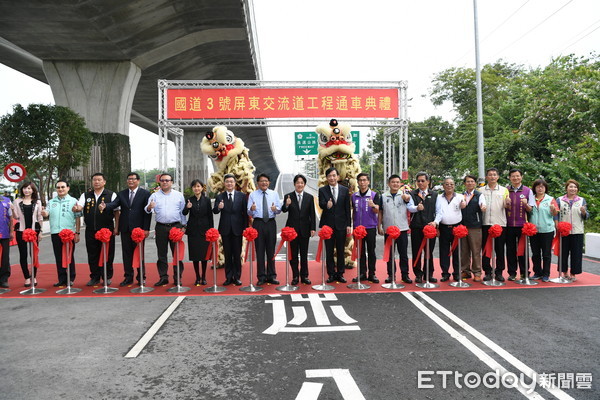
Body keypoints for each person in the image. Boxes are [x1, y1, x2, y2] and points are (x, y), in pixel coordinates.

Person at [100, 172, 151, 286]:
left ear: (138, 181)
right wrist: (105, 206)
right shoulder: (122, 194)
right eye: (129, 179)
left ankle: (141, 277)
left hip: (139, 230)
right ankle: (128, 277)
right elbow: (114, 204)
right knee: (126, 254)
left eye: (133, 179)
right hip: (125, 229)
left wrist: (146, 229)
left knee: (139, 254)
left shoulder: (145, 194)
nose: (130, 181)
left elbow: (148, 213)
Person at [76, 173, 120, 286]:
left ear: (104, 182)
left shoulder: (111, 194)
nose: (96, 182)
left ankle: (107, 276)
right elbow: (80, 206)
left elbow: (116, 212)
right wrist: (76, 208)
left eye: (99, 180)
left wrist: (116, 227)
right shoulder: (86, 195)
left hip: (107, 230)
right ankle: (94, 277)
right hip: (91, 230)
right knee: (92, 254)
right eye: (94, 180)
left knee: (108, 254)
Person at [145, 173, 186, 286]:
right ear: (160, 182)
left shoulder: (178, 195)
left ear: (171, 182)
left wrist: (184, 226)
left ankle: (178, 277)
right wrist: (149, 207)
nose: (165, 182)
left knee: (177, 253)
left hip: (175, 226)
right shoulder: (154, 196)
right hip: (161, 227)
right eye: (162, 180)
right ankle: (163, 277)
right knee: (161, 254)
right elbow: (147, 210)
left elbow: (183, 212)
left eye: (167, 180)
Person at [42, 180, 81, 286]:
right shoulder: (51, 202)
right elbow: (46, 212)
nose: (60, 189)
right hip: (55, 233)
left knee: (69, 256)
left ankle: (71, 277)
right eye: (58, 187)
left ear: (68, 188)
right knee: (58, 256)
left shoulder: (73, 201)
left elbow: (78, 218)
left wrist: (77, 233)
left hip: (69, 233)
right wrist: (44, 212)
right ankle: (62, 279)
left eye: (63, 187)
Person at [318, 167, 352, 283]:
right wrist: (327, 205)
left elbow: (347, 208)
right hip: (328, 226)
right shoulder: (322, 190)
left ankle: (340, 273)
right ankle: (331, 274)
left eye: (333, 175)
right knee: (329, 251)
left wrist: (348, 224)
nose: (332, 178)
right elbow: (321, 204)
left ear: (337, 177)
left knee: (341, 250)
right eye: (329, 176)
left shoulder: (344, 190)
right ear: (327, 178)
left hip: (341, 225)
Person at [213, 173, 247, 286]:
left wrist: (245, 229)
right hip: (225, 229)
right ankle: (228, 277)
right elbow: (215, 211)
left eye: (231, 182)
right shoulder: (220, 197)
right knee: (228, 255)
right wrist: (219, 207)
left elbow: (245, 213)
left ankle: (237, 277)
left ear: (234, 183)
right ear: (224, 183)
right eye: (227, 182)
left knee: (237, 255)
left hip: (238, 229)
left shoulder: (241, 196)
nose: (229, 183)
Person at [379, 174, 414, 284]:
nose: (395, 184)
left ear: (400, 184)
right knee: (390, 254)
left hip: (402, 229)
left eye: (397, 182)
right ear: (388, 184)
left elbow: (409, 203)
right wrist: (379, 226)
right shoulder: (384, 196)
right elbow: (381, 212)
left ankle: (405, 275)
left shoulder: (405, 195)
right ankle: (391, 275)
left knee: (403, 253)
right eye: (393, 182)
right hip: (389, 230)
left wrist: (407, 199)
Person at [281, 174, 315, 285]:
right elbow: (284, 210)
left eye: (302, 183)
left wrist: (313, 228)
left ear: (304, 184)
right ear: (294, 184)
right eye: (297, 183)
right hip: (292, 231)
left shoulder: (309, 197)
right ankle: (295, 276)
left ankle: (304, 276)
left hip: (305, 229)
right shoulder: (288, 196)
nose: (299, 185)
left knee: (304, 254)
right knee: (293, 255)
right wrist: (286, 204)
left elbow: (312, 214)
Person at [248, 173, 281, 285]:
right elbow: (249, 212)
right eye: (262, 181)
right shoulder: (253, 195)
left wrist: (275, 209)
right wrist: (252, 209)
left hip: (271, 223)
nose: (264, 183)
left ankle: (272, 275)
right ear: (258, 183)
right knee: (260, 251)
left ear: (269, 182)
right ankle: (261, 276)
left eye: (266, 181)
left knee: (271, 251)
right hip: (258, 223)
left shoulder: (274, 194)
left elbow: (279, 210)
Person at [431, 177, 466, 282]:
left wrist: (463, 204)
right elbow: (437, 212)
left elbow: (464, 203)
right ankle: (445, 273)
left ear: (454, 185)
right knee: (444, 251)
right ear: (443, 186)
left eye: (451, 184)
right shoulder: (438, 197)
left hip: (457, 228)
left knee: (457, 252)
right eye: (447, 184)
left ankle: (456, 273)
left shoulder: (460, 196)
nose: (449, 186)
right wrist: (436, 226)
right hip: (444, 227)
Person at [505, 168, 535, 280]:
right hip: (508, 225)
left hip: (523, 226)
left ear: (521, 177)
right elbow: (503, 207)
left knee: (523, 250)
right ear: (509, 178)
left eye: (517, 176)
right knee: (510, 250)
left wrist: (526, 204)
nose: (515, 178)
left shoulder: (528, 191)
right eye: (513, 176)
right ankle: (512, 273)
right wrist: (506, 204)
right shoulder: (506, 190)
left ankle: (524, 272)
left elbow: (530, 209)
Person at [556, 179, 589, 281]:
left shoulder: (581, 200)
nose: (573, 189)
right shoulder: (560, 200)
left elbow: (586, 216)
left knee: (576, 253)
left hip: (577, 231)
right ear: (566, 188)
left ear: (577, 189)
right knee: (563, 253)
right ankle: (564, 272)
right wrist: (557, 225)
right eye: (570, 187)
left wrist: (584, 212)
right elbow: (556, 214)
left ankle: (573, 273)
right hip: (564, 231)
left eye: (575, 187)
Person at [12, 181, 44, 287]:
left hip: (34, 231)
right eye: (25, 188)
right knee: (23, 255)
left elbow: (40, 217)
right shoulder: (17, 201)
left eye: (29, 188)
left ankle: (34, 276)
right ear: (22, 190)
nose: (27, 190)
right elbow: (16, 217)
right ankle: (26, 277)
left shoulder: (37, 202)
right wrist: (12, 210)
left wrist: (41, 232)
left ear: (33, 190)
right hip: (21, 231)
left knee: (34, 255)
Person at [480, 168, 510, 282]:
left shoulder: (504, 190)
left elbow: (507, 205)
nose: (492, 177)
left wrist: (508, 204)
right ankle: (487, 271)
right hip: (485, 223)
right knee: (486, 249)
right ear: (486, 177)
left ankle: (499, 272)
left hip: (500, 224)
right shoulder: (481, 190)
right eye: (490, 175)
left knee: (500, 249)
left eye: (494, 175)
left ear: (498, 177)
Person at [409, 172, 438, 283]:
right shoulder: (412, 194)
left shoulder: (435, 195)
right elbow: (410, 207)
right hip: (416, 227)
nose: (420, 183)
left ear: (428, 182)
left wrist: (435, 222)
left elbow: (439, 211)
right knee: (417, 251)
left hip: (430, 228)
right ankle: (418, 274)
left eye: (423, 180)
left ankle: (428, 274)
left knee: (429, 252)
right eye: (418, 181)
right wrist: (417, 208)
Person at [182, 179, 213, 286]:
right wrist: (187, 207)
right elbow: (184, 213)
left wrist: (211, 230)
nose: (196, 188)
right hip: (193, 231)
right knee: (195, 255)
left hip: (205, 230)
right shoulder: (189, 200)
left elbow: (210, 216)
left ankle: (204, 277)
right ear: (192, 188)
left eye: (198, 186)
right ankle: (197, 277)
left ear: (202, 188)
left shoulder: (207, 200)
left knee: (204, 256)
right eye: (194, 187)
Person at [351, 173, 381, 283]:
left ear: (368, 182)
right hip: (358, 229)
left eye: (364, 180)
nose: (362, 182)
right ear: (358, 182)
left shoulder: (374, 195)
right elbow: (353, 211)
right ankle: (362, 273)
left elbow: (378, 210)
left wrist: (373, 205)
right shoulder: (354, 196)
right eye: (360, 180)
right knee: (361, 252)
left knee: (371, 251)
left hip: (370, 227)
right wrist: (352, 226)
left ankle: (372, 273)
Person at [529, 179, 558, 282]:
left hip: (547, 230)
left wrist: (553, 210)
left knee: (546, 253)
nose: (540, 188)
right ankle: (537, 272)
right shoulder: (531, 199)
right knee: (535, 253)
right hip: (533, 230)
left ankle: (546, 274)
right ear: (535, 188)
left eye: (542, 186)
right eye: (538, 186)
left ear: (545, 188)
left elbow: (555, 214)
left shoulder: (550, 199)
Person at [460, 174, 486, 282]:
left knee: (475, 250)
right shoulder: (461, 195)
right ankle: (465, 271)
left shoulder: (479, 195)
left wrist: (483, 207)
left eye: (472, 181)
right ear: (465, 183)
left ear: (475, 183)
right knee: (464, 250)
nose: (470, 183)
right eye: (467, 181)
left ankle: (477, 272)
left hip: (475, 226)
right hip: (462, 226)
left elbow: (483, 205)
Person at [0, 193, 14, 288]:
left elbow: (11, 217)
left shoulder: (6, 200)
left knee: (5, 257)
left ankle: (4, 278)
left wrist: (11, 231)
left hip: (4, 233)